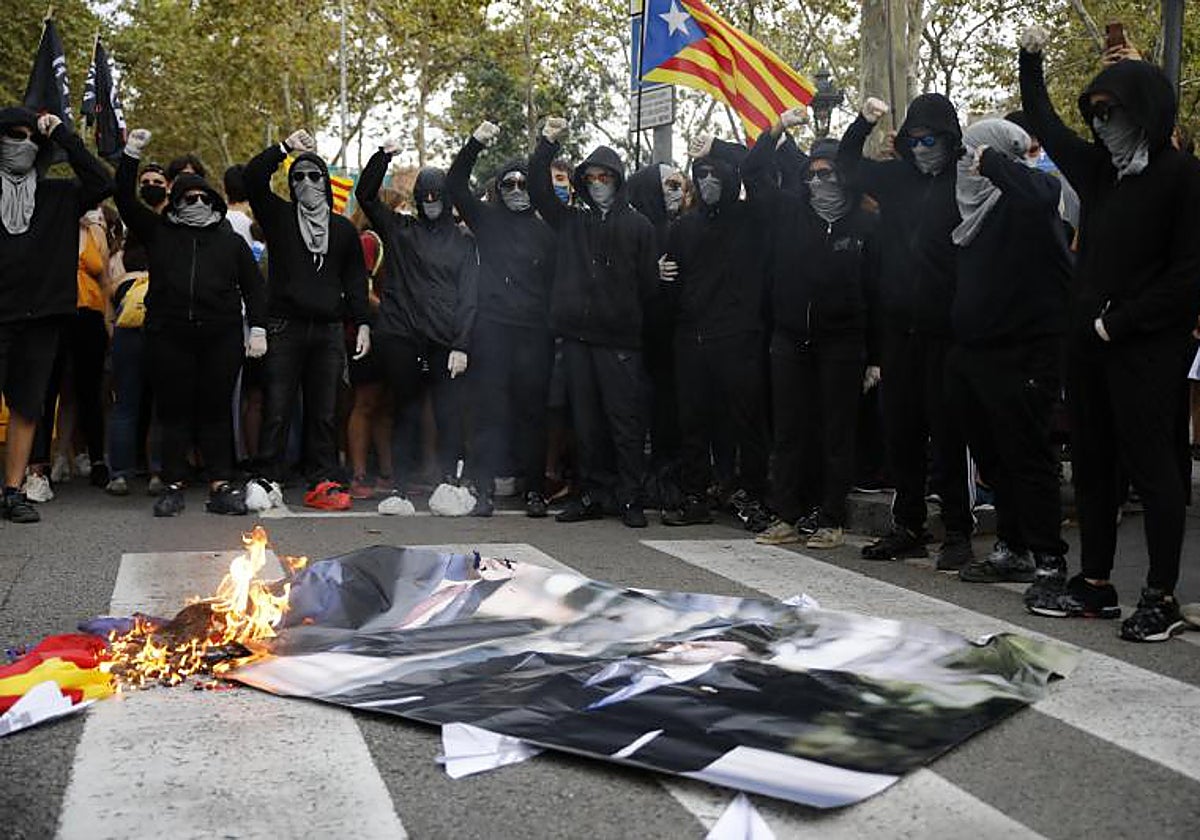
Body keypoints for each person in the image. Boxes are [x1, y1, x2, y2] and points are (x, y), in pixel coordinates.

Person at [1018, 28, 1200, 641]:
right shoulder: (1100, 173)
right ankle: (1095, 583)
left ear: (1143, 112)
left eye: (1111, 112)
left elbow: (1189, 274)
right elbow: (1045, 119)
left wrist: (1121, 321)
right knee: (1094, 468)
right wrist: (1031, 60)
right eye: (1094, 114)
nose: (1100, 126)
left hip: (1146, 349)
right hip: (1088, 348)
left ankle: (1162, 594)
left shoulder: (1182, 177)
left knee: (1152, 470)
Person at [838, 93, 974, 570]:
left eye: (931, 139)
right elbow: (847, 166)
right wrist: (863, 122)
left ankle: (958, 529)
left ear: (950, 139)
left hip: (947, 330)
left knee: (948, 432)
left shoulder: (966, 179)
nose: (922, 148)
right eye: (913, 140)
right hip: (898, 330)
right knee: (902, 432)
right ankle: (908, 526)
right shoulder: (895, 179)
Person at [942, 118, 1072, 586]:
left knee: (1028, 457)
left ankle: (1049, 559)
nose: (968, 167)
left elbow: (1042, 192)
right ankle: (1011, 547)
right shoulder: (974, 215)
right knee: (994, 457)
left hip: (1024, 356)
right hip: (977, 354)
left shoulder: (1027, 203)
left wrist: (995, 163)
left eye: (973, 155)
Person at [114, 128, 267, 516]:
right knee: (173, 412)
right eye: (188, 197)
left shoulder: (229, 242)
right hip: (169, 336)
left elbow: (254, 287)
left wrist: (260, 329)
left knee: (216, 411)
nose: (196, 202)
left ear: (213, 201)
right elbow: (124, 200)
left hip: (221, 336)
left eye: (203, 197)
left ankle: (220, 484)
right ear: (176, 202)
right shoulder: (159, 232)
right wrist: (130, 154)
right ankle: (173, 485)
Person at [747, 108, 879, 550]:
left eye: (829, 172)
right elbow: (752, 172)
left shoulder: (865, 225)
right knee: (788, 431)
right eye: (813, 173)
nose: (820, 181)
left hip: (843, 343)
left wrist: (874, 356)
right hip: (789, 340)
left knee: (836, 433)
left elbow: (876, 292)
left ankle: (830, 518)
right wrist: (776, 130)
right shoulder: (788, 213)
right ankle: (785, 513)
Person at [530, 117, 657, 528]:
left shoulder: (639, 226)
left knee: (625, 423)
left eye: (606, 176)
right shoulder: (571, 221)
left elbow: (648, 287)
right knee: (585, 424)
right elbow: (538, 189)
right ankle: (592, 494)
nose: (598, 182)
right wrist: (547, 145)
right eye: (592, 176)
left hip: (620, 340)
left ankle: (630, 498)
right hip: (578, 338)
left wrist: (631, 325)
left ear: (618, 180)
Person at [245, 129, 371, 510]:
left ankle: (323, 479)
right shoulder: (279, 217)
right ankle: (267, 477)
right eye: (297, 177)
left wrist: (362, 322)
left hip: (329, 330)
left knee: (325, 410)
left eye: (314, 175)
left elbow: (354, 280)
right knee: (278, 406)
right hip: (286, 326)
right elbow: (253, 178)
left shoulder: (344, 229)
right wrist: (285, 149)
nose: (305, 183)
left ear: (325, 182)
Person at [0, 108, 111, 523]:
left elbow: (104, 182)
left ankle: (13, 490)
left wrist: (63, 134)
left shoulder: (58, 196)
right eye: (14, 134)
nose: (24, 144)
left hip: (42, 315)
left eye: (33, 139)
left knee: (29, 406)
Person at [658, 132, 771, 532]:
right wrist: (663, 278)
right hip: (692, 338)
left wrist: (717, 148)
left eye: (715, 174)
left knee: (747, 422)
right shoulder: (683, 227)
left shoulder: (751, 219)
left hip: (739, 336)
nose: (707, 181)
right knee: (693, 423)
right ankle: (696, 495)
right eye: (700, 173)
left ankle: (753, 496)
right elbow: (671, 282)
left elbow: (753, 162)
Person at [355, 137, 477, 500]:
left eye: (436, 196)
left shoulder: (463, 240)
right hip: (403, 334)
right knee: (405, 409)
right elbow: (366, 196)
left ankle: (449, 482)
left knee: (448, 411)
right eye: (424, 197)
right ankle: (401, 485)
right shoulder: (400, 229)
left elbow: (470, 294)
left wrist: (461, 344)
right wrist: (383, 157)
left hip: (444, 338)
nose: (430, 203)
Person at [447, 121, 556, 517]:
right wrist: (474, 143)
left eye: (521, 183)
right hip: (493, 330)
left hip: (534, 333)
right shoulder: (487, 220)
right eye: (507, 184)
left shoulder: (548, 231)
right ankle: (483, 489)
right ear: (498, 188)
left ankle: (535, 491)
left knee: (532, 412)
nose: (514, 190)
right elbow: (456, 185)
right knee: (488, 411)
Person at [625, 160, 686, 513]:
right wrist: (649, 273)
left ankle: (667, 480)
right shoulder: (636, 229)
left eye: (680, 185)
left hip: (676, 342)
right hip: (639, 340)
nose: (677, 192)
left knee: (670, 416)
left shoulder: (683, 227)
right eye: (669, 185)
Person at [345, 190, 398, 500]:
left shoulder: (391, 241)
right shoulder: (370, 241)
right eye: (400, 208)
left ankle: (387, 473)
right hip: (367, 332)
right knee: (365, 403)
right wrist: (394, 310)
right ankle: (359, 473)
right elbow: (360, 291)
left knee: (385, 406)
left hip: (389, 332)